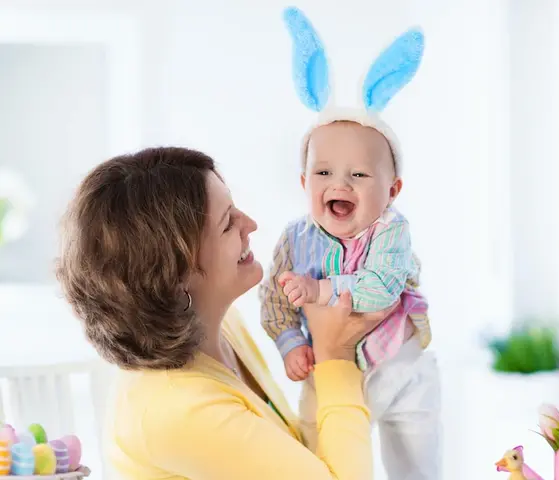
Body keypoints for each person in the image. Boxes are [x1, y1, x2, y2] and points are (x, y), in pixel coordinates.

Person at [56, 146, 392, 479]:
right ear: (173, 275)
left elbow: (301, 460)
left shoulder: (219, 326)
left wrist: (323, 345)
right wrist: (336, 357)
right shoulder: (179, 410)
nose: (251, 224)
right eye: (228, 223)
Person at [260, 7, 441, 479]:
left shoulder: (391, 231)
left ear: (392, 191)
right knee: (319, 451)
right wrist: (289, 343)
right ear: (303, 181)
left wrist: (319, 291)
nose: (339, 183)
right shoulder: (294, 239)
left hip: (400, 365)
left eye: (359, 175)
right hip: (330, 367)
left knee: (418, 461)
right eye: (323, 173)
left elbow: (380, 289)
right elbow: (273, 300)